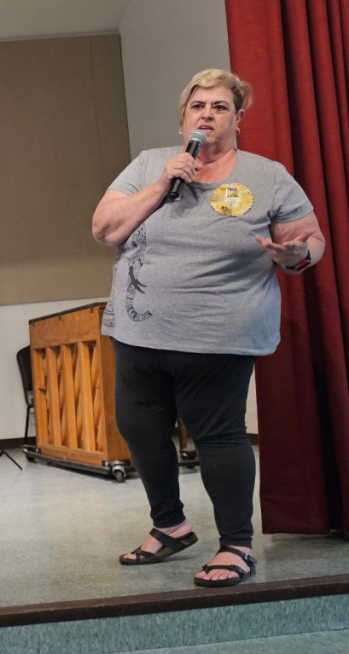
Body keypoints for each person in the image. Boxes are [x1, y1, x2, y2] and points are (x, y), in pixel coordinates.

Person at [91, 69, 324, 587]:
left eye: (220, 107)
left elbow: (310, 239)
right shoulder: (150, 165)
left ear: (237, 119)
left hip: (218, 336)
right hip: (139, 331)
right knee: (139, 429)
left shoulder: (267, 175)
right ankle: (170, 525)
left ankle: (236, 545)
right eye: (198, 106)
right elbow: (105, 228)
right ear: (183, 118)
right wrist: (161, 184)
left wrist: (297, 254)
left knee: (218, 436)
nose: (207, 115)